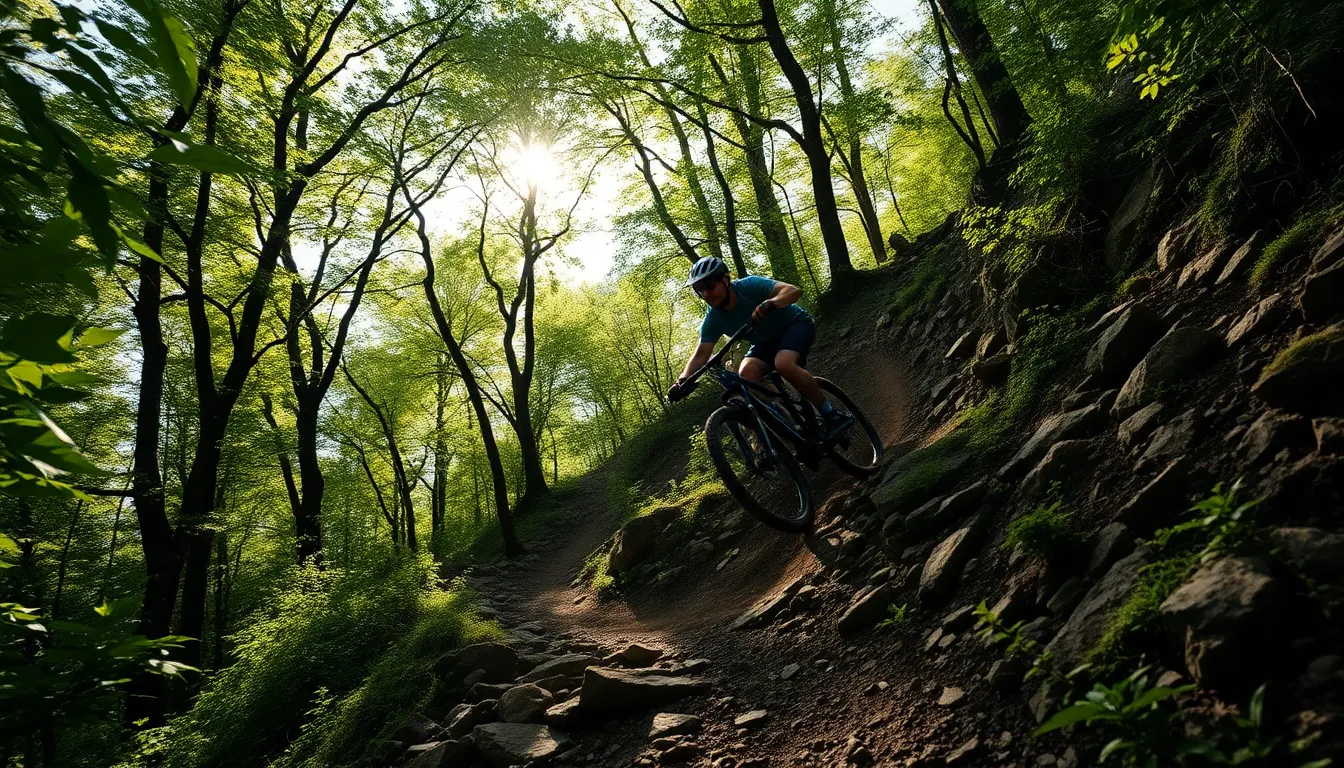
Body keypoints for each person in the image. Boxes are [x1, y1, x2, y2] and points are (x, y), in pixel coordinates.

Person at [667, 257, 853, 437]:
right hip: (765, 343)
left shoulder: (749, 286)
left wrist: (771, 303)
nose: (706, 294)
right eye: (699, 291)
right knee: (746, 374)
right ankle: (794, 426)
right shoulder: (713, 319)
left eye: (710, 286)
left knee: (784, 363)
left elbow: (793, 291)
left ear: (725, 280)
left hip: (795, 325)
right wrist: (682, 381)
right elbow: (701, 354)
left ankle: (831, 414)